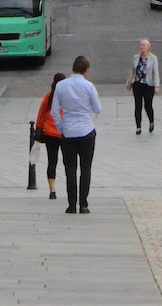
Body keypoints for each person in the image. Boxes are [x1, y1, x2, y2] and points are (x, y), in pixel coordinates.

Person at [54, 55, 101, 213]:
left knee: (70, 170)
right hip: (86, 130)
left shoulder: (61, 86)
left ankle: (71, 204)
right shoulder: (89, 86)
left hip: (68, 131)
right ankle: (83, 204)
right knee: (86, 168)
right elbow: (97, 109)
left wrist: (61, 128)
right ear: (86, 70)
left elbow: (54, 111)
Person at [34, 71, 66, 201]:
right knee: (68, 161)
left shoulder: (49, 97)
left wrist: (38, 128)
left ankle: (52, 190)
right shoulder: (67, 97)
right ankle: (70, 186)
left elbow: (41, 114)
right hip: (64, 133)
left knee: (52, 162)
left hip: (49, 133)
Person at [129, 39, 161, 133]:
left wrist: (157, 85)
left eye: (144, 45)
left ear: (148, 47)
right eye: (141, 45)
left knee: (148, 105)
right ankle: (138, 127)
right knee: (138, 106)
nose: (142, 47)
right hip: (137, 83)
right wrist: (129, 82)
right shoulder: (136, 57)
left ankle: (151, 121)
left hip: (148, 84)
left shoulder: (153, 58)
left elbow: (155, 72)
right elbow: (132, 70)